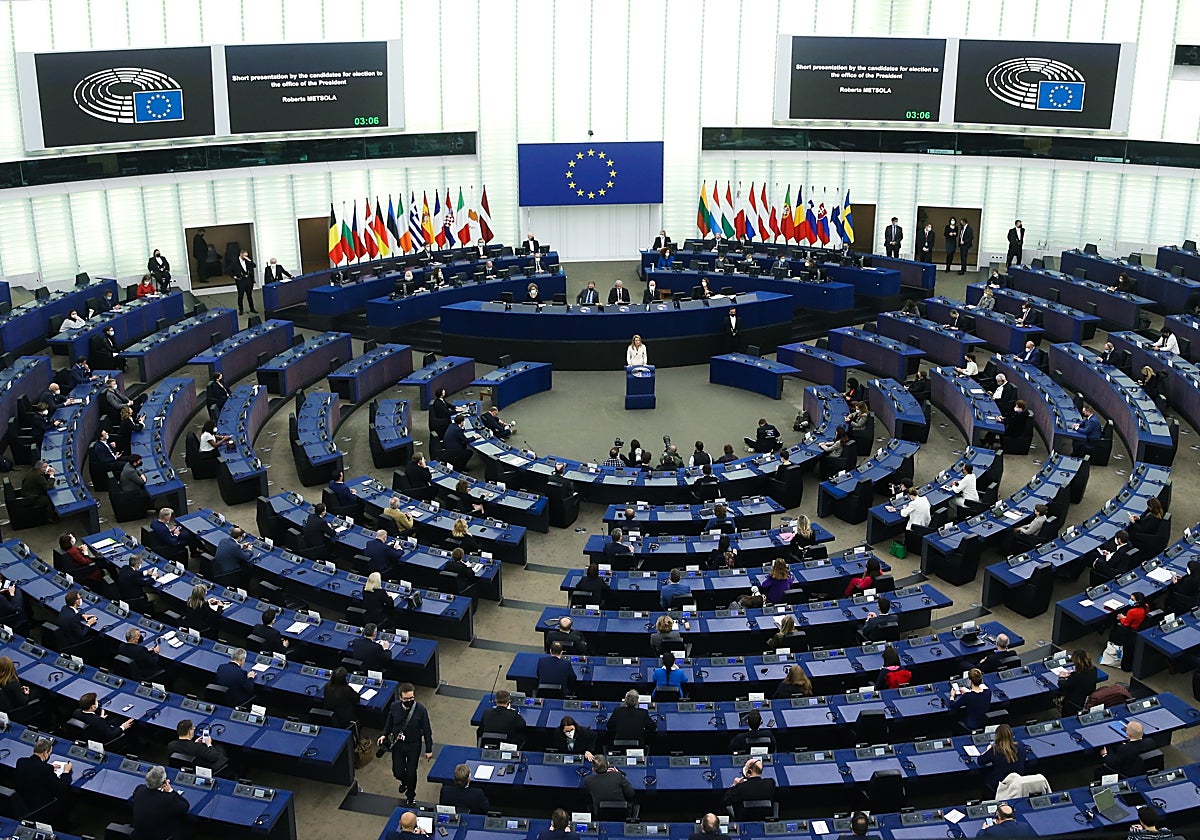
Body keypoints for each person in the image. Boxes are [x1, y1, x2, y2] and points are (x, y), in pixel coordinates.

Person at [378, 682, 434, 806]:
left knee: (411, 772)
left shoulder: (420, 710)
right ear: (400, 698)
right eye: (406, 699)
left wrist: (429, 749)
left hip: (414, 745)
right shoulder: (394, 707)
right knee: (397, 771)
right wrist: (384, 734)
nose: (409, 701)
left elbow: (427, 730)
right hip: (398, 744)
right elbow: (390, 721)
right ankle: (404, 782)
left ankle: (410, 795)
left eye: (411, 698)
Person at [13, 737, 72, 813]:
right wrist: (66, 772)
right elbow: (60, 787)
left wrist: (50, 767)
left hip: (22, 799)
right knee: (68, 796)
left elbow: (34, 769)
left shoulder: (21, 761)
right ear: (45, 752)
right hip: (40, 804)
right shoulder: (45, 769)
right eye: (49, 753)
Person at [131, 765, 189, 840]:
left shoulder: (139, 789)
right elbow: (185, 806)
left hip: (138, 836)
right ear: (164, 782)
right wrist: (171, 791)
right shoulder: (168, 799)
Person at [976, 722, 1031, 792]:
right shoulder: (1021, 747)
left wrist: (988, 749)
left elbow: (980, 761)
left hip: (1000, 783)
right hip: (1017, 781)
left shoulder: (996, 750)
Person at [1057, 648, 1098, 716]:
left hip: (1072, 703)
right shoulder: (1093, 669)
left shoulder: (1076, 677)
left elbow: (1062, 685)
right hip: (1085, 699)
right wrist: (1074, 672)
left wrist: (1061, 677)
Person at [231, 250, 258, 314]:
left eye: (246, 256)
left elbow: (254, 265)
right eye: (244, 256)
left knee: (249, 295)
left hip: (248, 280)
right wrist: (233, 276)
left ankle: (252, 308)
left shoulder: (248, 261)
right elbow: (229, 270)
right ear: (241, 254)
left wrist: (249, 260)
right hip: (240, 281)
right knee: (240, 295)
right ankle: (241, 309)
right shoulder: (235, 262)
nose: (246, 257)